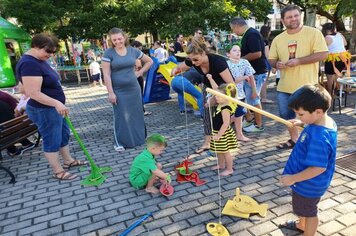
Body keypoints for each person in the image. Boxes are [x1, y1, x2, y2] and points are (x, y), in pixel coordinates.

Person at [17, 33, 87, 180]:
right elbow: (33, 93)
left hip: (53, 108)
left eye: (53, 52)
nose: (50, 55)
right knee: (52, 139)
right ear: (35, 46)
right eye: (48, 51)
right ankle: (58, 170)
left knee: (63, 135)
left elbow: (23, 87)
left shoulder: (38, 59)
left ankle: (68, 161)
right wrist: (56, 102)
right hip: (44, 109)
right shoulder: (29, 63)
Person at [279, 84, 337, 236]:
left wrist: (293, 178)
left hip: (308, 183)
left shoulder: (319, 138)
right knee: (303, 208)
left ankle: (308, 231)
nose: (298, 117)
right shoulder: (322, 120)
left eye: (301, 114)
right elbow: (314, 123)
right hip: (305, 180)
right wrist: (302, 123)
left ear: (318, 111)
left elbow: (318, 168)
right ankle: (301, 224)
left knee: (310, 212)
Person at [268, 5, 328, 149]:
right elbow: (271, 60)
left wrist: (299, 61)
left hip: (307, 87)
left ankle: (310, 142)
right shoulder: (278, 39)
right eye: (289, 17)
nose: (293, 19)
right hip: (284, 87)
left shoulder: (313, 33)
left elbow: (323, 54)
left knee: (309, 118)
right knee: (287, 118)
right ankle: (295, 140)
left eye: (296, 15)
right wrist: (277, 64)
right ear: (283, 20)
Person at [171, 39, 235, 154]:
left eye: (195, 59)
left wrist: (217, 98)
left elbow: (231, 84)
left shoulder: (218, 62)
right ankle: (207, 143)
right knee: (206, 115)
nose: (193, 62)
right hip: (208, 87)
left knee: (220, 117)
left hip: (222, 90)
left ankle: (222, 144)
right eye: (191, 59)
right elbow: (182, 66)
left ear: (203, 53)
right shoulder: (192, 60)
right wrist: (176, 69)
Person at [102, 28, 153, 151]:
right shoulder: (108, 53)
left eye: (119, 38)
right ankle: (120, 142)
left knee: (137, 114)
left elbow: (149, 61)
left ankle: (139, 139)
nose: (117, 42)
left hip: (134, 88)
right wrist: (110, 93)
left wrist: (140, 72)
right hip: (118, 90)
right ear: (111, 40)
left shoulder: (133, 51)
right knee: (121, 116)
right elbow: (106, 74)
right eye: (114, 40)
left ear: (124, 38)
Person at [230, 17, 268, 133]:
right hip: (253, 72)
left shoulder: (251, 34)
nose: (233, 32)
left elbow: (257, 53)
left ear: (237, 26)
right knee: (250, 99)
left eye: (233, 29)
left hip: (256, 73)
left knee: (254, 100)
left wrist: (239, 59)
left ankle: (259, 125)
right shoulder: (249, 34)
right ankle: (251, 119)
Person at [206, 80, 238, 176]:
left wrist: (219, 135)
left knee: (225, 152)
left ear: (227, 96)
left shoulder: (225, 108)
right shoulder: (221, 103)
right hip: (216, 131)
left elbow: (226, 123)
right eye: (216, 95)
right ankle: (221, 165)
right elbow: (216, 89)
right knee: (219, 150)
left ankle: (229, 169)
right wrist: (211, 79)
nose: (216, 97)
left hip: (222, 133)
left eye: (218, 96)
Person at [226, 44, 257, 142]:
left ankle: (239, 134)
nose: (238, 52)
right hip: (228, 94)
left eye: (239, 50)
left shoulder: (244, 62)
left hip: (240, 93)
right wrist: (243, 78)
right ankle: (222, 133)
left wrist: (254, 91)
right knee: (228, 115)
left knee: (239, 115)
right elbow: (231, 81)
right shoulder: (226, 64)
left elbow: (251, 76)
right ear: (228, 54)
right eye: (234, 50)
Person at [0, 90, 34, 157]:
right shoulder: (3, 96)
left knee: (4, 128)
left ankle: (13, 150)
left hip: (8, 131)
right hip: (19, 126)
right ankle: (25, 143)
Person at [321, 23, 349, 95]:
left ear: (325, 30)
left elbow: (321, 49)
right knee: (336, 76)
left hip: (332, 60)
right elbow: (345, 44)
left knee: (330, 77)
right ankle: (338, 91)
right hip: (343, 59)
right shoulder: (340, 35)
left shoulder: (327, 37)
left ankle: (330, 94)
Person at [131, 40, 152, 116]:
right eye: (139, 49)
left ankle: (139, 110)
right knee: (139, 94)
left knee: (138, 94)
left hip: (136, 76)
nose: (140, 51)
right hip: (137, 77)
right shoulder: (135, 57)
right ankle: (141, 111)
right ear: (134, 47)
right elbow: (139, 66)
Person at [259, 25, 274, 104]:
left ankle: (261, 97)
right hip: (265, 63)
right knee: (264, 81)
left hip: (259, 62)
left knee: (259, 81)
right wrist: (273, 65)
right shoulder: (265, 41)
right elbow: (267, 55)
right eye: (269, 31)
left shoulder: (258, 39)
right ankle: (264, 98)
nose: (270, 32)